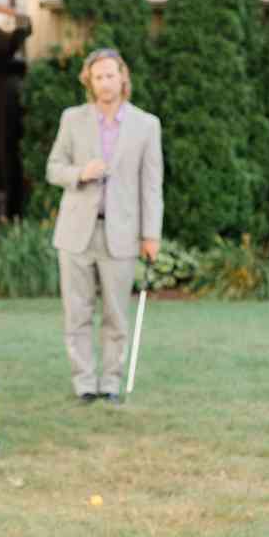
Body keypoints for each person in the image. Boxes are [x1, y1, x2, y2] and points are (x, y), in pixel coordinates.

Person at [46, 47, 162, 403]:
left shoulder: (146, 125)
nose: (105, 82)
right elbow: (53, 168)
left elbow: (151, 184)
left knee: (116, 315)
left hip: (122, 235)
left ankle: (110, 383)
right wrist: (81, 172)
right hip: (75, 234)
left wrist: (151, 234)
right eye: (98, 77)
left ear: (122, 77)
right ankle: (84, 383)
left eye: (110, 75)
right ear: (90, 82)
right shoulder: (72, 119)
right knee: (77, 314)